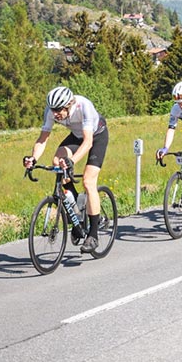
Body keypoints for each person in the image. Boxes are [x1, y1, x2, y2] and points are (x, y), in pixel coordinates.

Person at [24, 86, 109, 253]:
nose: (55, 115)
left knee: (88, 181)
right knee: (57, 162)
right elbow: (43, 138)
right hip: (76, 137)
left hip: (96, 137)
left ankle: (93, 235)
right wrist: (33, 158)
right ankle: (78, 213)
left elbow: (88, 142)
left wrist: (71, 161)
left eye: (59, 111)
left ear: (69, 105)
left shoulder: (84, 106)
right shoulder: (51, 110)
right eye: (53, 110)